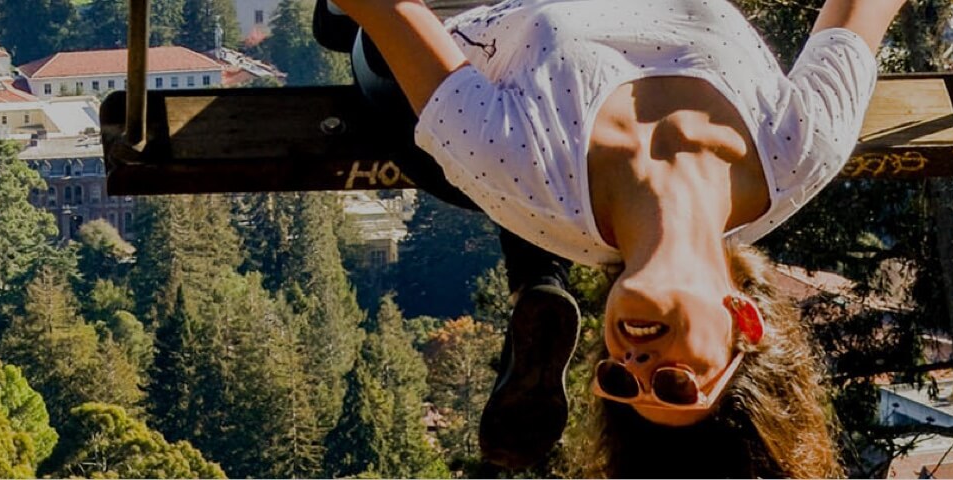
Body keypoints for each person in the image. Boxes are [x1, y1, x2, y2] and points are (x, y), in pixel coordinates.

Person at [329, 0, 906, 474]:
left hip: (459, 23)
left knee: (367, 51)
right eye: (675, 385)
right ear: (746, 325)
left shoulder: (519, 169)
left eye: (617, 380)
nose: (634, 361)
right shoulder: (799, 147)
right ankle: (535, 277)